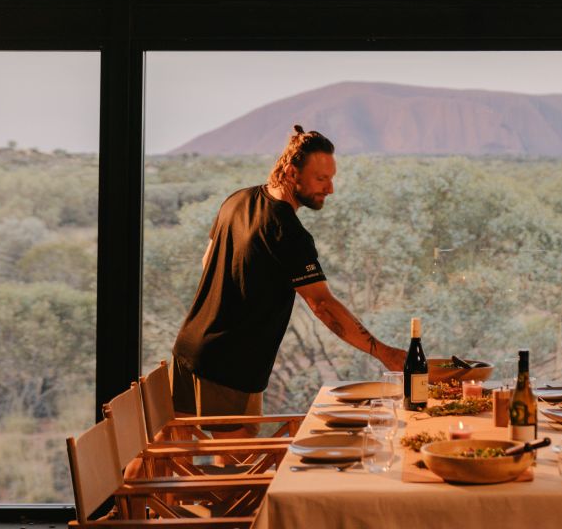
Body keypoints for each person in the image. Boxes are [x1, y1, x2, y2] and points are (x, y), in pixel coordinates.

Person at [170, 124, 407, 438]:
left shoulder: (238, 200)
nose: (330, 189)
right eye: (321, 179)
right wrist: (385, 353)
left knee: (167, 452)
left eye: (331, 178)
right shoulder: (287, 231)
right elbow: (322, 305)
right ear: (293, 173)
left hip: (190, 345)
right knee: (238, 469)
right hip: (230, 364)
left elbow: (207, 261)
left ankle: (125, 490)